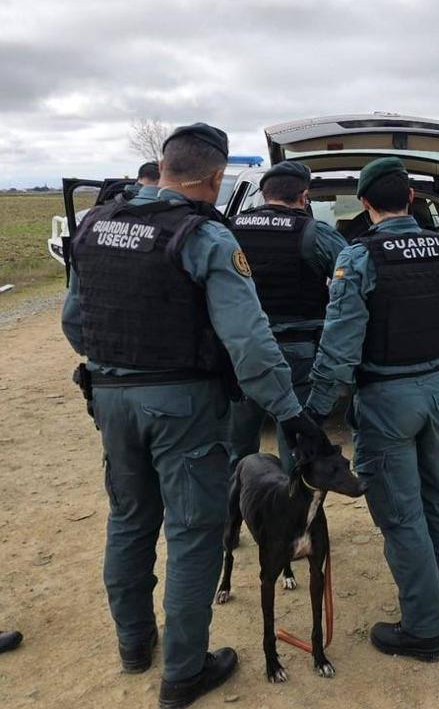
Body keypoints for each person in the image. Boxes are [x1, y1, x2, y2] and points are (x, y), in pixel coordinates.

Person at [61, 123, 328, 709]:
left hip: (110, 398)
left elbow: (75, 324)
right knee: (192, 534)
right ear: (213, 178)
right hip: (182, 405)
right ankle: (184, 671)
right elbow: (251, 346)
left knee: (129, 521)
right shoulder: (203, 237)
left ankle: (135, 646)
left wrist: (118, 368)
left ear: (162, 165)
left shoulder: (95, 226)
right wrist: (292, 415)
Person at [304, 157, 439, 662]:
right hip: (435, 394)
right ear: (410, 198)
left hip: (386, 399)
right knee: (434, 501)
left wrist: (315, 410)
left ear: (364, 204)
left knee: (400, 514)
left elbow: (340, 345)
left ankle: (423, 629)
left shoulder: (359, 258)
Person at [227, 161, 347, 470]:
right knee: (297, 445)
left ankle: (235, 508)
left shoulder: (228, 229)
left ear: (263, 194)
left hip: (243, 352)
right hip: (299, 353)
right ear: (304, 196)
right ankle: (293, 511)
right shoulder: (316, 234)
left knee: (236, 448)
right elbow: (355, 279)